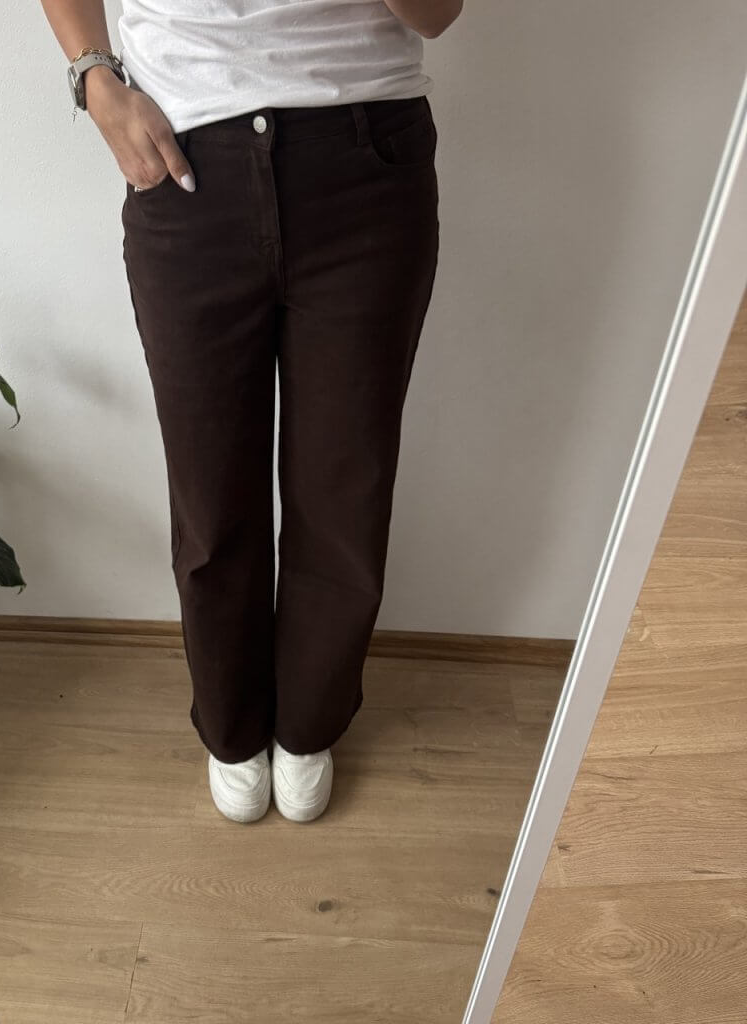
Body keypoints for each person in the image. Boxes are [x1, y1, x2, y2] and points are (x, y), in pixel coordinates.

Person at [39, 0, 463, 824]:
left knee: (343, 484)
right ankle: (232, 727)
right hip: (185, 159)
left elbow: (436, 15)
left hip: (364, 160)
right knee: (210, 490)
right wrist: (94, 79)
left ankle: (308, 725)